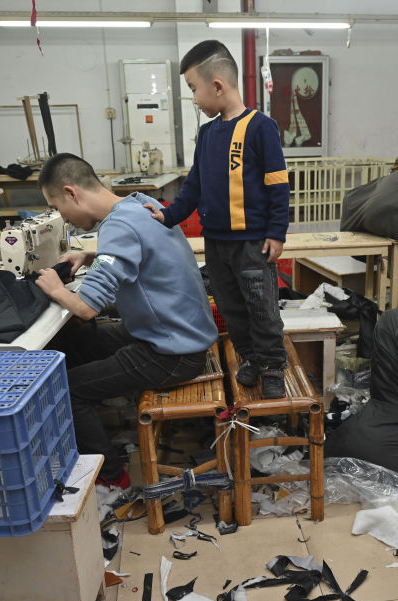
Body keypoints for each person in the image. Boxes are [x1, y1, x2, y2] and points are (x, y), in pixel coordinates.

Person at [34, 153, 218, 488]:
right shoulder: (140, 204)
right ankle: (84, 436)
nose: (65, 219)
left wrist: (56, 288)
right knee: (74, 344)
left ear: (72, 193)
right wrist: (90, 255)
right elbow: (139, 249)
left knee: (67, 390)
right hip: (173, 333)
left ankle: (112, 475)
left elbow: (86, 308)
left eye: (58, 207)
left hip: (171, 353)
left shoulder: (117, 226)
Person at [143, 39, 290, 399]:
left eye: (194, 89)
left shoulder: (261, 127)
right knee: (231, 308)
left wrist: (276, 232)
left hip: (252, 244)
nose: (194, 99)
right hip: (217, 244)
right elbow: (194, 186)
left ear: (218, 86)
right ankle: (251, 358)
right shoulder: (207, 134)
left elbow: (278, 184)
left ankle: (273, 365)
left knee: (262, 308)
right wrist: (167, 215)